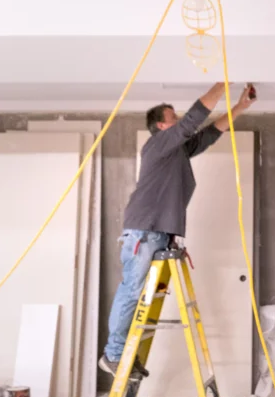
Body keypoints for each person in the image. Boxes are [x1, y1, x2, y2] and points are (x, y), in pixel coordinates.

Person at [99, 82, 256, 378]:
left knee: (142, 295)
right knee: (131, 291)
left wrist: (240, 107)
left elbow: (209, 133)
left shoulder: (177, 152)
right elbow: (192, 122)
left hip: (160, 231)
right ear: (161, 126)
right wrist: (222, 84)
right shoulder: (157, 144)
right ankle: (113, 354)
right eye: (173, 118)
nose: (179, 120)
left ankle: (125, 354)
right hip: (145, 230)